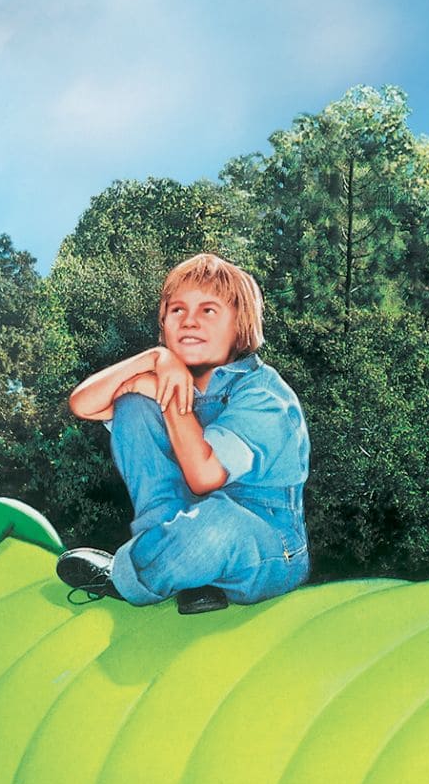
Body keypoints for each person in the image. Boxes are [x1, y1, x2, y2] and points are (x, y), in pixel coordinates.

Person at [59, 253, 309, 614]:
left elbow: (205, 477)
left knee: (217, 524)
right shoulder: (171, 373)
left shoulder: (266, 395)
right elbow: (83, 404)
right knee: (133, 404)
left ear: (240, 324)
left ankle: (127, 575)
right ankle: (183, 571)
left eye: (208, 311)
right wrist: (155, 360)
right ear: (164, 322)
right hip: (181, 522)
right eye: (177, 310)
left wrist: (165, 394)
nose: (190, 321)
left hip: (266, 542)